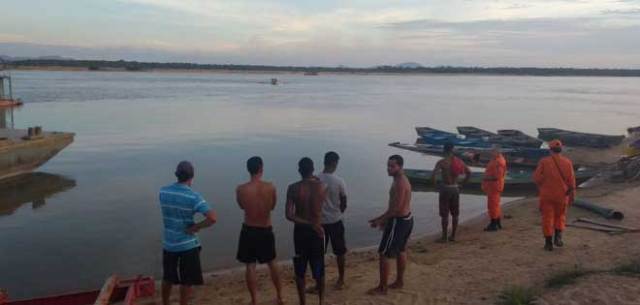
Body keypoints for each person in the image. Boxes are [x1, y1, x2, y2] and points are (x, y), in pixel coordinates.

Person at [159, 161, 217, 305]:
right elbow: (212, 218)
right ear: (192, 176)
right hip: (187, 245)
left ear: (176, 175)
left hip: (169, 243)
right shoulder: (193, 196)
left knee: (167, 277)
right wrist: (196, 226)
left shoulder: (163, 192)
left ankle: (165, 302)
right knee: (187, 280)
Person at [236, 156, 284, 305]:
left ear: (248, 169)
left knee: (250, 265)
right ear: (261, 168)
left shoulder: (241, 189)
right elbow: (272, 206)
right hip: (265, 229)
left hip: (249, 229)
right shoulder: (270, 187)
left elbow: (242, 206)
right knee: (272, 262)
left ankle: (255, 300)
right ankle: (280, 296)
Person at [368, 155, 413, 295]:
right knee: (401, 250)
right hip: (406, 219)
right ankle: (399, 282)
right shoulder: (399, 179)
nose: (388, 168)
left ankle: (382, 287)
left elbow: (396, 208)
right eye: (388, 165)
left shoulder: (400, 182)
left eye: (392, 166)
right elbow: (395, 207)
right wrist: (380, 218)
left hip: (399, 221)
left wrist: (381, 220)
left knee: (384, 254)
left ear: (400, 166)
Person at [286, 157, 327, 305]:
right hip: (317, 231)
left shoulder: (293, 188)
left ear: (299, 170)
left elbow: (289, 215)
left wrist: (308, 223)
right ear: (313, 169)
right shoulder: (322, 186)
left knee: (300, 269)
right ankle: (321, 300)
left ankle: (303, 302)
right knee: (319, 268)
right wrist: (313, 223)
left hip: (301, 232)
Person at [533, 140, 576, 251]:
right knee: (560, 216)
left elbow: (536, 178)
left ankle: (548, 244)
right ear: (560, 149)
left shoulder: (544, 162)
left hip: (547, 195)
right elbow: (571, 182)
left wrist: (543, 183)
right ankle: (558, 238)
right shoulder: (568, 162)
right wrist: (572, 197)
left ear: (550, 150)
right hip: (562, 195)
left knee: (547, 218)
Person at [316, 151, 348, 290]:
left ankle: (319, 284)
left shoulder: (315, 179)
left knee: (318, 255)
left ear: (324, 162)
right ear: (334, 163)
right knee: (340, 252)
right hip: (335, 221)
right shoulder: (339, 181)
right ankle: (341, 279)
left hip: (319, 223)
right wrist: (337, 211)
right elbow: (344, 203)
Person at [431, 143, 471, 242]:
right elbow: (469, 172)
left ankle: (444, 237)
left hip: (445, 189)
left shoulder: (442, 162)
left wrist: (436, 186)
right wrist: (462, 184)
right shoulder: (459, 161)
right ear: (453, 150)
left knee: (445, 215)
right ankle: (453, 236)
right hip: (455, 189)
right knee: (455, 214)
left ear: (444, 150)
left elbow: (433, 175)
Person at [482, 145, 507, 232]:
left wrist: (486, 178)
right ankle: (497, 222)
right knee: (495, 204)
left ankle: (493, 224)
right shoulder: (496, 159)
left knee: (492, 205)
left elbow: (497, 176)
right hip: (492, 186)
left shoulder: (499, 162)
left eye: (492, 151)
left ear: (497, 151)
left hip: (494, 186)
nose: (491, 152)